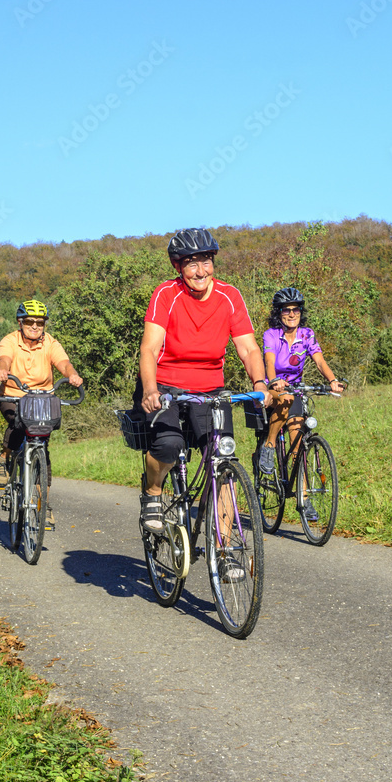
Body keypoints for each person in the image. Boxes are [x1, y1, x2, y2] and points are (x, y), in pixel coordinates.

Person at [137, 228, 269, 575]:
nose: (200, 271)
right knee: (168, 444)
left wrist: (260, 384)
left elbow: (248, 347)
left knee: (222, 462)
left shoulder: (229, 296)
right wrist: (150, 389)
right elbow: (149, 348)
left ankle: (224, 552)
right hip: (166, 385)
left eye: (206, 262)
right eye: (191, 264)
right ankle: (152, 493)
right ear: (178, 266)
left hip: (210, 390)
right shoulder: (166, 294)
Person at [0, 299, 83, 527]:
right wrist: (3, 370)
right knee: (17, 424)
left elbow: (64, 363)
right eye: (30, 321)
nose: (35, 326)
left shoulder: (50, 343)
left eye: (40, 323)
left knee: (42, 447)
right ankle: (4, 457)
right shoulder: (10, 341)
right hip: (14, 395)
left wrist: (72, 375)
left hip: (42, 399)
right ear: (20, 322)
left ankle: (44, 506)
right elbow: (5, 358)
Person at [259, 288, 344, 489]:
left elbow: (320, 362)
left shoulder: (307, 335)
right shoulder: (271, 335)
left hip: (295, 388)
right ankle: (269, 446)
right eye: (286, 310)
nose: (291, 314)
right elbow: (269, 362)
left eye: (296, 310)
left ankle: (304, 498)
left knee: (298, 444)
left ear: (300, 312)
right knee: (286, 398)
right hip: (273, 386)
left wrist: (333, 380)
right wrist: (273, 381)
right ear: (278, 313)